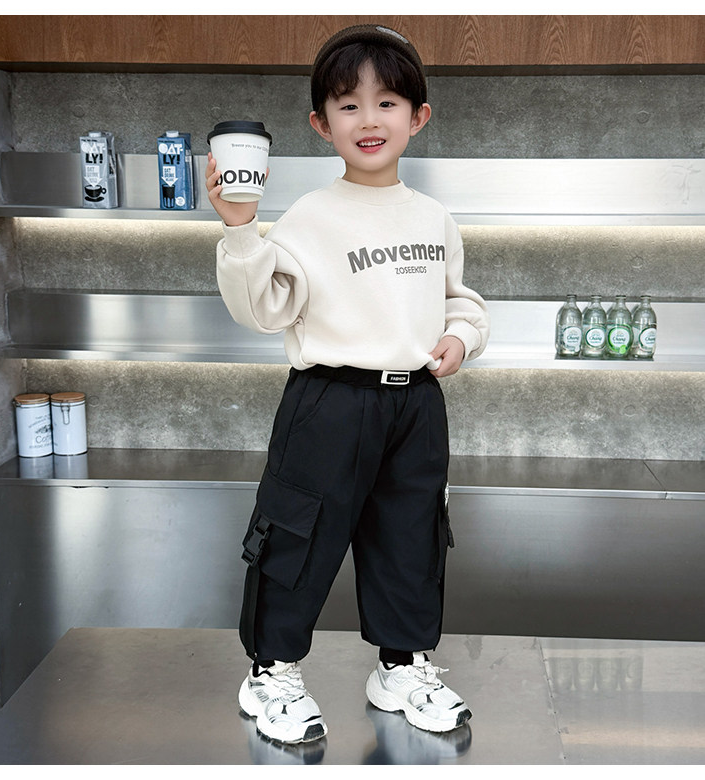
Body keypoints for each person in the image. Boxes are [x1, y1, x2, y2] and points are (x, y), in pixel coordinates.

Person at [206, 24, 490, 745]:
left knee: (412, 537)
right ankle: (269, 672)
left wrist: (461, 337)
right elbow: (264, 308)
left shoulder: (433, 218)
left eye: (387, 102)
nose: (369, 119)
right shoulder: (310, 217)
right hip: (330, 401)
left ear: (418, 117)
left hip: (416, 403)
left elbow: (460, 301)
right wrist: (241, 231)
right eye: (349, 105)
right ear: (321, 123)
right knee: (296, 535)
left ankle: (401, 666)